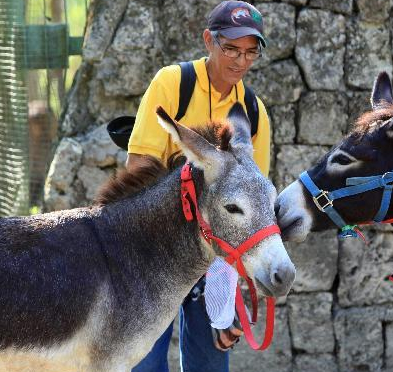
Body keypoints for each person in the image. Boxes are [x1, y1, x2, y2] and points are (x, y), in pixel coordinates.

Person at [127, 2, 270, 371]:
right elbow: (139, 167)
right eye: (231, 49)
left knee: (210, 362)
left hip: (213, 258)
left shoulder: (254, 111)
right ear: (209, 40)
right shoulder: (172, 84)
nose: (240, 62)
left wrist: (232, 296)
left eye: (250, 52)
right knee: (145, 363)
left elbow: (252, 207)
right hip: (156, 249)